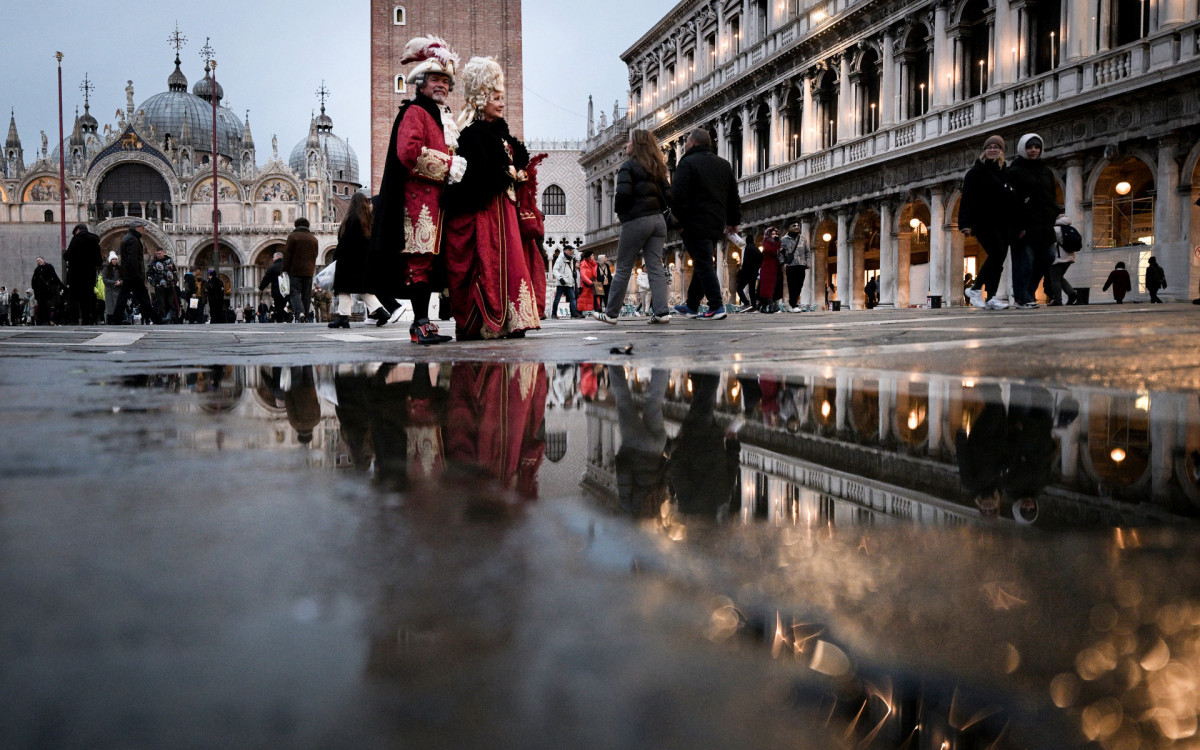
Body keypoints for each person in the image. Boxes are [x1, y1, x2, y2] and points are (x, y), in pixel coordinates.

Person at [369, 34, 465, 345]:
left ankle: (425, 322)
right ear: (421, 83)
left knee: (429, 261)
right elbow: (408, 152)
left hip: (436, 203)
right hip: (417, 204)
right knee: (419, 261)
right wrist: (447, 164)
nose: (442, 86)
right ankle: (420, 324)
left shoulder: (438, 115)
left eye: (446, 81)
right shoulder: (414, 112)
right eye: (436, 79)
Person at [441, 56, 542, 340]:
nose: (501, 103)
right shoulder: (472, 135)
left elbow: (515, 157)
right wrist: (505, 172)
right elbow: (478, 176)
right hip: (487, 213)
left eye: (502, 98)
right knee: (490, 264)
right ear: (482, 98)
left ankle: (512, 319)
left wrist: (517, 170)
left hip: (505, 211)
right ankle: (489, 321)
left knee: (511, 264)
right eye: (496, 98)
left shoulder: (501, 132)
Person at [595, 128, 674, 325]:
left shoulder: (628, 167)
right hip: (658, 221)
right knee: (655, 267)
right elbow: (670, 196)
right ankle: (662, 312)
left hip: (637, 220)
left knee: (623, 267)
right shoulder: (658, 168)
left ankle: (611, 313)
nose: (626, 145)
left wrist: (622, 215)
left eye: (629, 142)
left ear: (636, 146)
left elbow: (622, 195)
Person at [671, 128, 740, 320]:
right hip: (716, 223)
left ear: (692, 143)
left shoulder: (687, 163)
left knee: (704, 264)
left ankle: (716, 305)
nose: (685, 145)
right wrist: (733, 222)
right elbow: (733, 197)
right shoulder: (723, 164)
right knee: (703, 261)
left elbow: (678, 196)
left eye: (686, 142)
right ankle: (692, 306)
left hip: (693, 223)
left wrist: (679, 223)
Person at [1007, 133, 1061, 309]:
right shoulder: (1014, 170)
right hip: (1024, 226)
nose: (1033, 150)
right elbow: (1012, 201)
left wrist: (1053, 214)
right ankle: (1022, 298)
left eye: (1036, 147)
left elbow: (1052, 195)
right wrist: (1017, 225)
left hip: (1044, 225)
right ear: (1023, 148)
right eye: (1029, 147)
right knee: (1025, 262)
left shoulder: (1046, 171)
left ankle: (1028, 292)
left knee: (1048, 256)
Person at [962, 135, 1016, 310]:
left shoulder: (1006, 172)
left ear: (1001, 151)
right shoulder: (975, 173)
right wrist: (965, 223)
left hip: (1004, 222)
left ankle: (992, 297)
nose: (992, 149)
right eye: (989, 147)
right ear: (984, 150)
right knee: (996, 253)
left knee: (999, 260)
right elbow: (967, 199)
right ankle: (975, 288)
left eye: (996, 147)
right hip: (983, 221)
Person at [331, 192, 376, 328]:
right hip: (363, 260)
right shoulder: (369, 220)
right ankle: (380, 311)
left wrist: (336, 256)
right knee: (361, 288)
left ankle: (343, 317)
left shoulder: (351, 219)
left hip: (348, 259)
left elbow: (344, 241)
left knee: (343, 287)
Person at [114, 222, 163, 325]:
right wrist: (136, 274)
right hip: (133, 275)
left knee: (125, 297)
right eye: (142, 228)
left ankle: (116, 319)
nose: (144, 230)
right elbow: (133, 259)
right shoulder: (132, 239)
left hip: (129, 274)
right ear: (137, 228)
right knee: (143, 297)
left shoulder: (129, 238)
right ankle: (156, 319)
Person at [64, 223, 103, 325]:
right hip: (89, 274)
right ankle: (88, 319)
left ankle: (74, 319)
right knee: (88, 297)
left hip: (75, 274)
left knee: (74, 298)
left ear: (78, 230)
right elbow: (99, 260)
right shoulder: (94, 241)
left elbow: (67, 256)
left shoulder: (76, 239)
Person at [282, 217, 318, 322]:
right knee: (306, 295)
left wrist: (284, 269)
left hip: (295, 270)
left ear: (296, 225)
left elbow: (287, 254)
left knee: (295, 292)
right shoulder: (313, 238)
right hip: (309, 271)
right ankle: (305, 316)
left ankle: (300, 312)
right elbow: (315, 254)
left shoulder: (293, 236)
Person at [1045, 215, 1078, 306]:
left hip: (1057, 257)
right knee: (1059, 278)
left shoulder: (1055, 229)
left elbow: (1049, 243)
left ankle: (1057, 299)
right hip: (1069, 257)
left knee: (1055, 279)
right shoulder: (1069, 228)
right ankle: (1071, 293)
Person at [779, 221, 811, 312]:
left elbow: (807, 252)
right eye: (794, 225)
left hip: (801, 264)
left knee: (799, 285)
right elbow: (780, 253)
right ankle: (793, 305)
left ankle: (791, 303)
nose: (797, 227)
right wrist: (783, 263)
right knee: (792, 285)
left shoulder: (803, 239)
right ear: (790, 228)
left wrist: (808, 262)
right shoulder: (784, 240)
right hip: (791, 265)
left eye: (798, 225)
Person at [146, 247, 179, 323]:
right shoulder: (153, 263)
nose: (158, 255)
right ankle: (163, 318)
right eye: (157, 254)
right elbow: (149, 275)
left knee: (170, 302)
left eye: (159, 253)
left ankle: (170, 318)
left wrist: (175, 281)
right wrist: (155, 284)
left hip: (170, 285)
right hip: (159, 286)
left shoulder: (169, 261)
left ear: (163, 253)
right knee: (161, 303)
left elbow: (175, 272)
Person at [31, 256, 64, 325]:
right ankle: (43, 321)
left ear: (43, 260)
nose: (39, 261)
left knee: (50, 306)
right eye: (37, 261)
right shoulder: (37, 269)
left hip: (49, 290)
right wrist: (35, 290)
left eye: (40, 260)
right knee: (42, 306)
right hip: (41, 291)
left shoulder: (49, 267)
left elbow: (55, 277)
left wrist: (62, 286)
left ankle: (50, 320)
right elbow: (34, 281)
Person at [734, 232, 762, 311]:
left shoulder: (748, 248)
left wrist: (742, 271)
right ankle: (754, 307)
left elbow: (746, 261)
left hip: (747, 273)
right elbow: (761, 260)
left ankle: (746, 303)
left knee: (739, 289)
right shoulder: (757, 249)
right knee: (752, 290)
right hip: (754, 273)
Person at [550, 246, 580, 319]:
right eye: (570, 250)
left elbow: (570, 269)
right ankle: (553, 314)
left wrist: (574, 273)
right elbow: (555, 270)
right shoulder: (560, 259)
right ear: (565, 251)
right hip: (562, 283)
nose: (571, 251)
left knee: (572, 298)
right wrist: (560, 278)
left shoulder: (571, 259)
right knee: (558, 298)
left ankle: (574, 313)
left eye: (572, 250)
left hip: (569, 282)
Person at [258, 251, 288, 322]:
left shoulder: (272, 267)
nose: (273, 259)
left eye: (273, 257)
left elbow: (266, 279)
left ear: (277, 257)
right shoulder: (287, 266)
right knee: (281, 307)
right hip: (287, 291)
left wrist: (261, 288)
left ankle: (287, 316)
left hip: (277, 291)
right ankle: (280, 320)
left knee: (278, 307)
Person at [757, 227, 782, 313]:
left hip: (775, 267)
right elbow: (771, 251)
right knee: (768, 287)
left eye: (776, 234)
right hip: (768, 267)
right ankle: (770, 306)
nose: (774, 236)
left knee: (773, 287)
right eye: (772, 234)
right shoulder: (766, 242)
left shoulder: (776, 242)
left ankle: (762, 306)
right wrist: (776, 243)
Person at [101, 252, 122, 324]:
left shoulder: (120, 269)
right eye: (113, 259)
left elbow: (123, 278)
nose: (114, 260)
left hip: (117, 290)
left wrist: (120, 282)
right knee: (110, 307)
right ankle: (109, 320)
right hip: (109, 290)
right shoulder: (106, 269)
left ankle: (117, 320)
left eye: (116, 259)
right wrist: (114, 282)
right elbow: (104, 279)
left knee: (117, 306)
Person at [577, 248, 598, 315]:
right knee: (583, 299)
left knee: (593, 298)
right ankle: (580, 312)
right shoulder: (583, 263)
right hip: (586, 284)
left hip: (593, 283)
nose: (593, 257)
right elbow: (583, 275)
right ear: (589, 257)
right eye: (592, 255)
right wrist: (590, 282)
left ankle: (596, 310)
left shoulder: (593, 264)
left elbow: (595, 274)